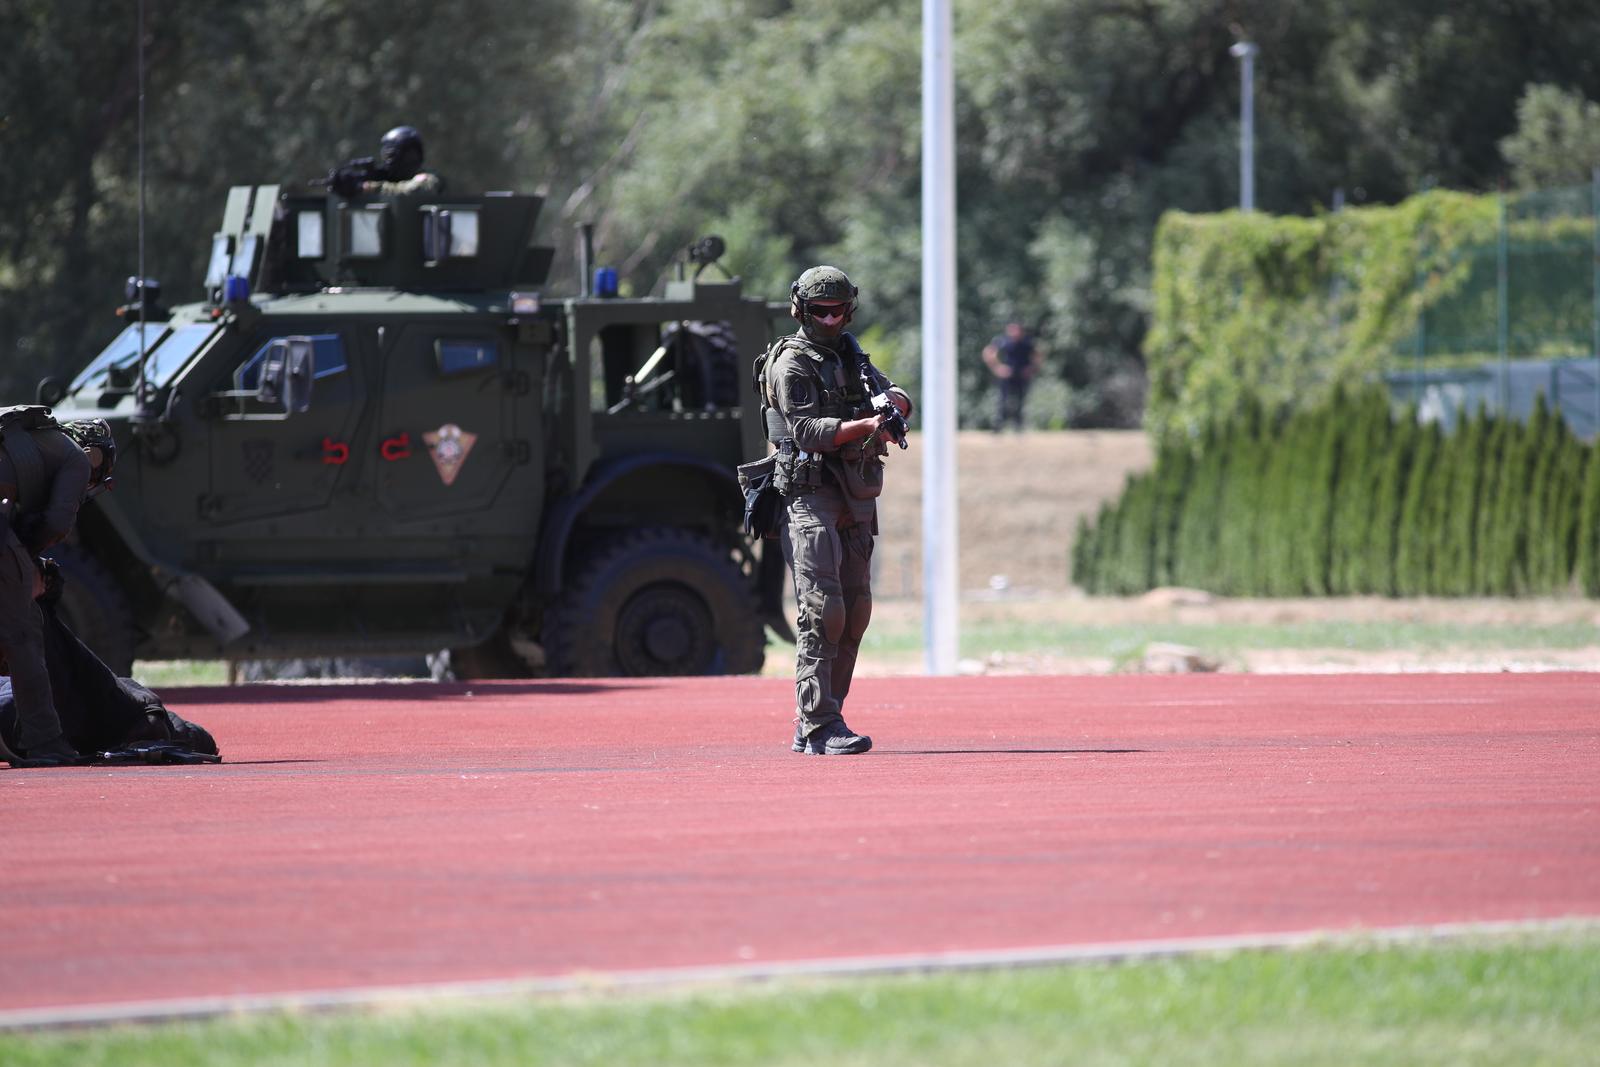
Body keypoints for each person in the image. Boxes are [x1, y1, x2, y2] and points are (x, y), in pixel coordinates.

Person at [758, 266, 913, 755]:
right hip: (810, 496)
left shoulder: (851, 355)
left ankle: (823, 717)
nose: (829, 319)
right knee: (823, 611)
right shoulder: (791, 363)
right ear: (800, 310)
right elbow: (806, 431)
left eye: (838, 310)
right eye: (820, 311)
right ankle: (819, 723)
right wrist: (864, 425)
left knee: (855, 611)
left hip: (854, 492)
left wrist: (893, 406)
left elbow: (896, 395)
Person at [0, 411, 115, 767]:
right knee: (24, 634)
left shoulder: (24, 440)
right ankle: (45, 741)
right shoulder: (77, 458)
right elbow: (56, 523)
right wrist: (28, 560)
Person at [325, 125, 442, 198]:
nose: (388, 160)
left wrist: (366, 187)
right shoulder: (388, 178)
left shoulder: (430, 178)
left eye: (391, 155)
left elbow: (409, 192)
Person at [982, 321, 1042, 432]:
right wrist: (997, 368)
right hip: (1006, 375)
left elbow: (1038, 355)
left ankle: (1018, 426)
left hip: (1021, 375)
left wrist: (1031, 369)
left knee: (1020, 401)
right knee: (1002, 401)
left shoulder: (1027, 342)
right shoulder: (1002, 341)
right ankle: (998, 426)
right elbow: (988, 352)